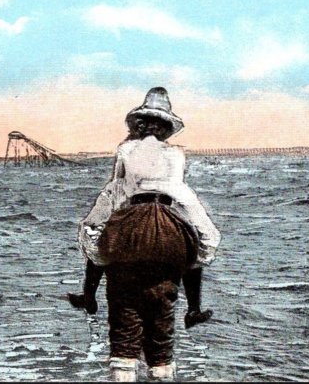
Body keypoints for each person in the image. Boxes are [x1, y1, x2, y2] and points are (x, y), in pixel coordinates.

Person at [69, 86, 221, 381]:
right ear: (166, 128)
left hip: (131, 225)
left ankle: (88, 296)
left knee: (102, 249)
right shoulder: (177, 154)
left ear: (139, 125)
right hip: (166, 224)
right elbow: (182, 196)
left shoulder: (126, 150)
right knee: (184, 267)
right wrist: (203, 243)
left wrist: (95, 236)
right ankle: (194, 309)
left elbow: (115, 192)